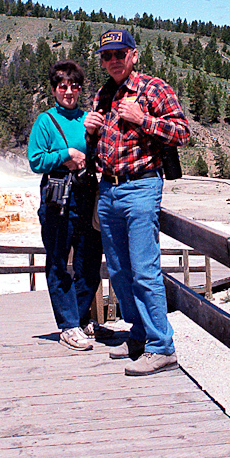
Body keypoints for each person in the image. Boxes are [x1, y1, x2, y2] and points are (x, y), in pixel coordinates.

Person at [84, 29, 190, 375]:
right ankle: (141, 333)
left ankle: (162, 347)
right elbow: (98, 148)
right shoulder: (103, 94)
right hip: (108, 189)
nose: (113, 60)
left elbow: (183, 133)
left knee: (144, 269)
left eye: (119, 54)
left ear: (134, 55)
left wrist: (143, 120)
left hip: (141, 187)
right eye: (107, 56)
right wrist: (89, 131)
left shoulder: (153, 88)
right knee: (119, 270)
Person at [28, 60, 105, 351]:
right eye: (63, 86)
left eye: (74, 86)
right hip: (58, 196)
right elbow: (36, 160)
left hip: (86, 194)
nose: (69, 91)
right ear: (53, 90)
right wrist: (65, 154)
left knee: (88, 261)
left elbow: (98, 156)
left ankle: (83, 318)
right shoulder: (45, 121)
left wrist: (92, 143)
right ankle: (68, 326)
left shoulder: (88, 119)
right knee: (59, 261)